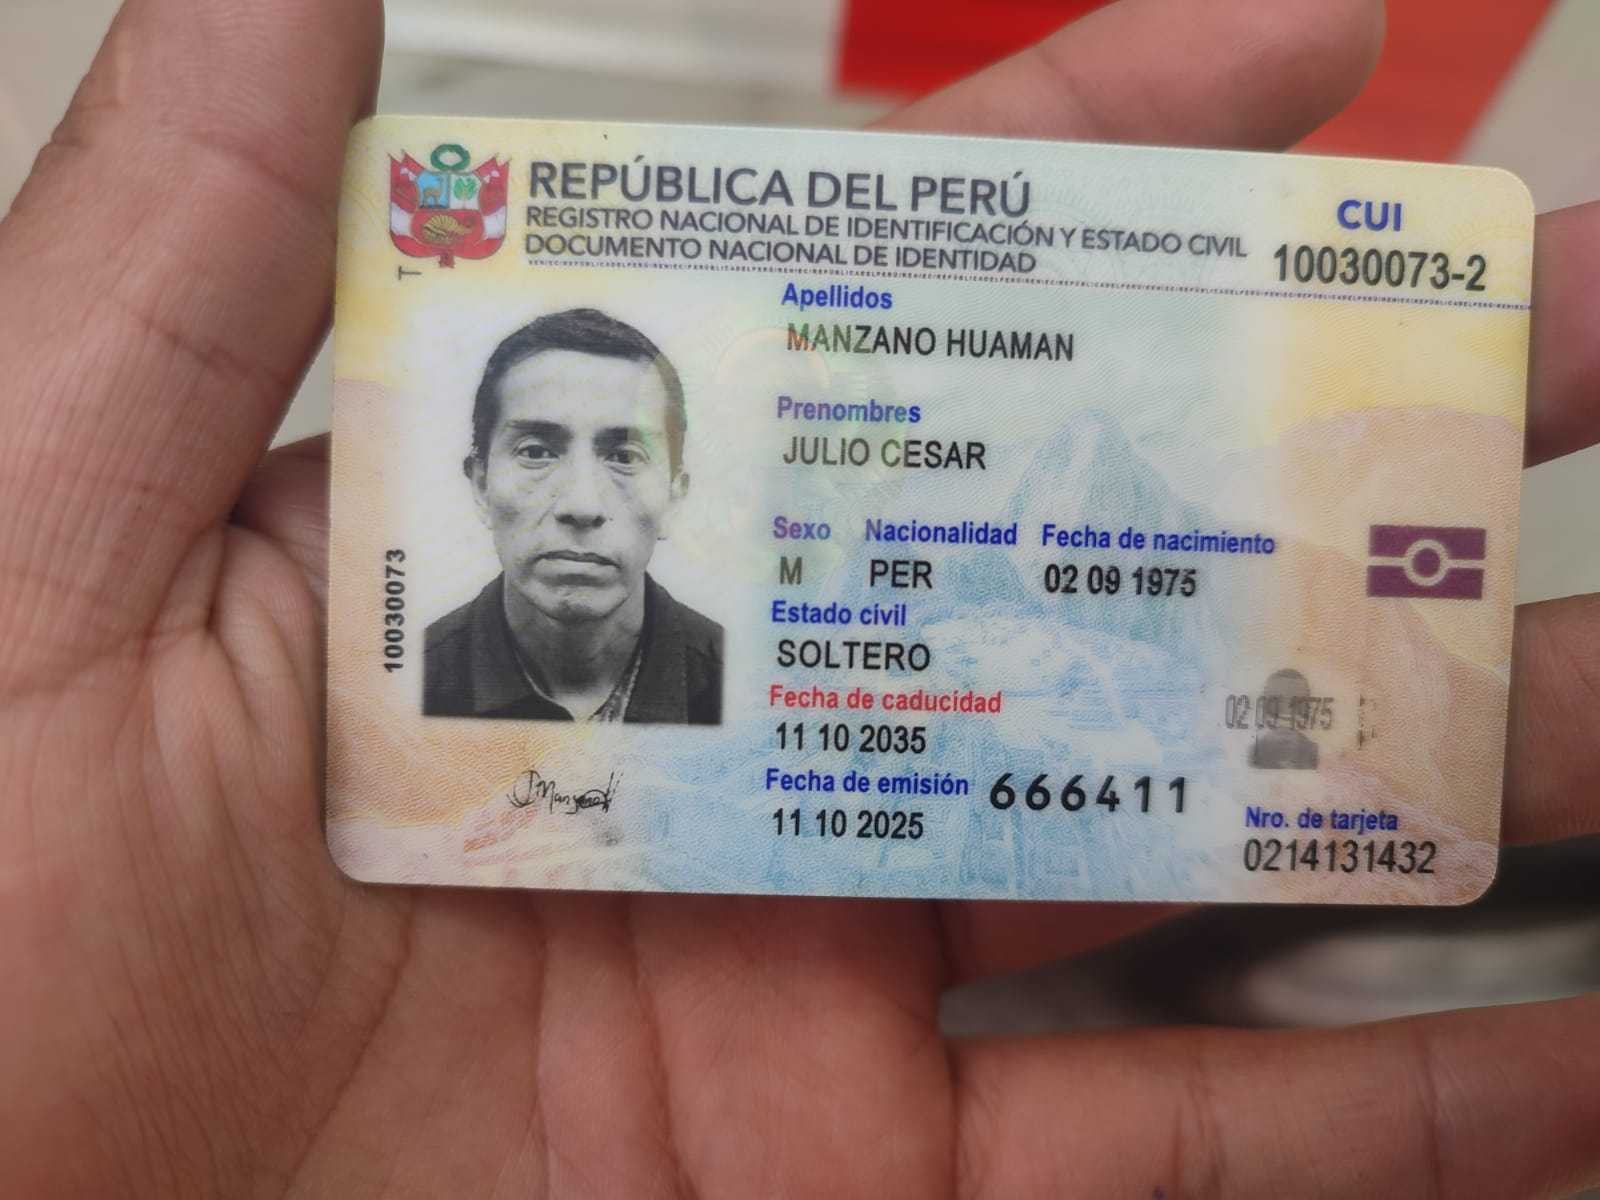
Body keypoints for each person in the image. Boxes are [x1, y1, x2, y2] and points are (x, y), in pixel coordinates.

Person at [1, 0, 1598, 1194]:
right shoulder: (408, 723)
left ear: (679, 486)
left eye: (622, 451)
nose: (578, 496)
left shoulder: (714, 665)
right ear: (472, 472)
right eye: (536, 448)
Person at [424, 308, 723, 723]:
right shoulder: (406, 681)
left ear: (673, 497)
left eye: (625, 456)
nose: (582, 505)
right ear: (481, 485)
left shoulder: (742, 686)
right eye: (536, 452)